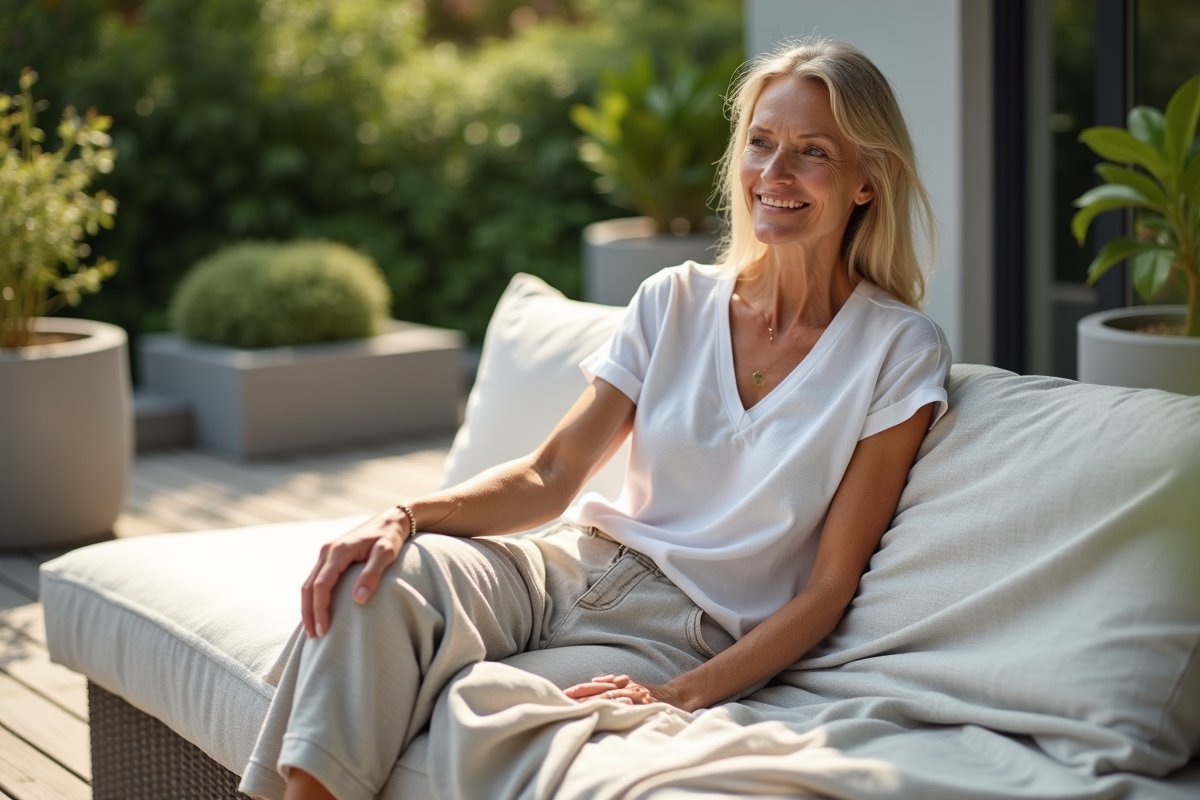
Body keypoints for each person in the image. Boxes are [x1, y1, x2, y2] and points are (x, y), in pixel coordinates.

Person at [239, 38, 952, 800]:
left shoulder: (897, 349)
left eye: (811, 153)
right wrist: (402, 515)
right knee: (375, 580)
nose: (773, 175)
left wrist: (682, 694)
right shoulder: (673, 298)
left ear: (867, 181)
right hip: (565, 569)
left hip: (679, 632)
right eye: (760, 143)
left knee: (489, 708)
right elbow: (551, 476)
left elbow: (828, 588)